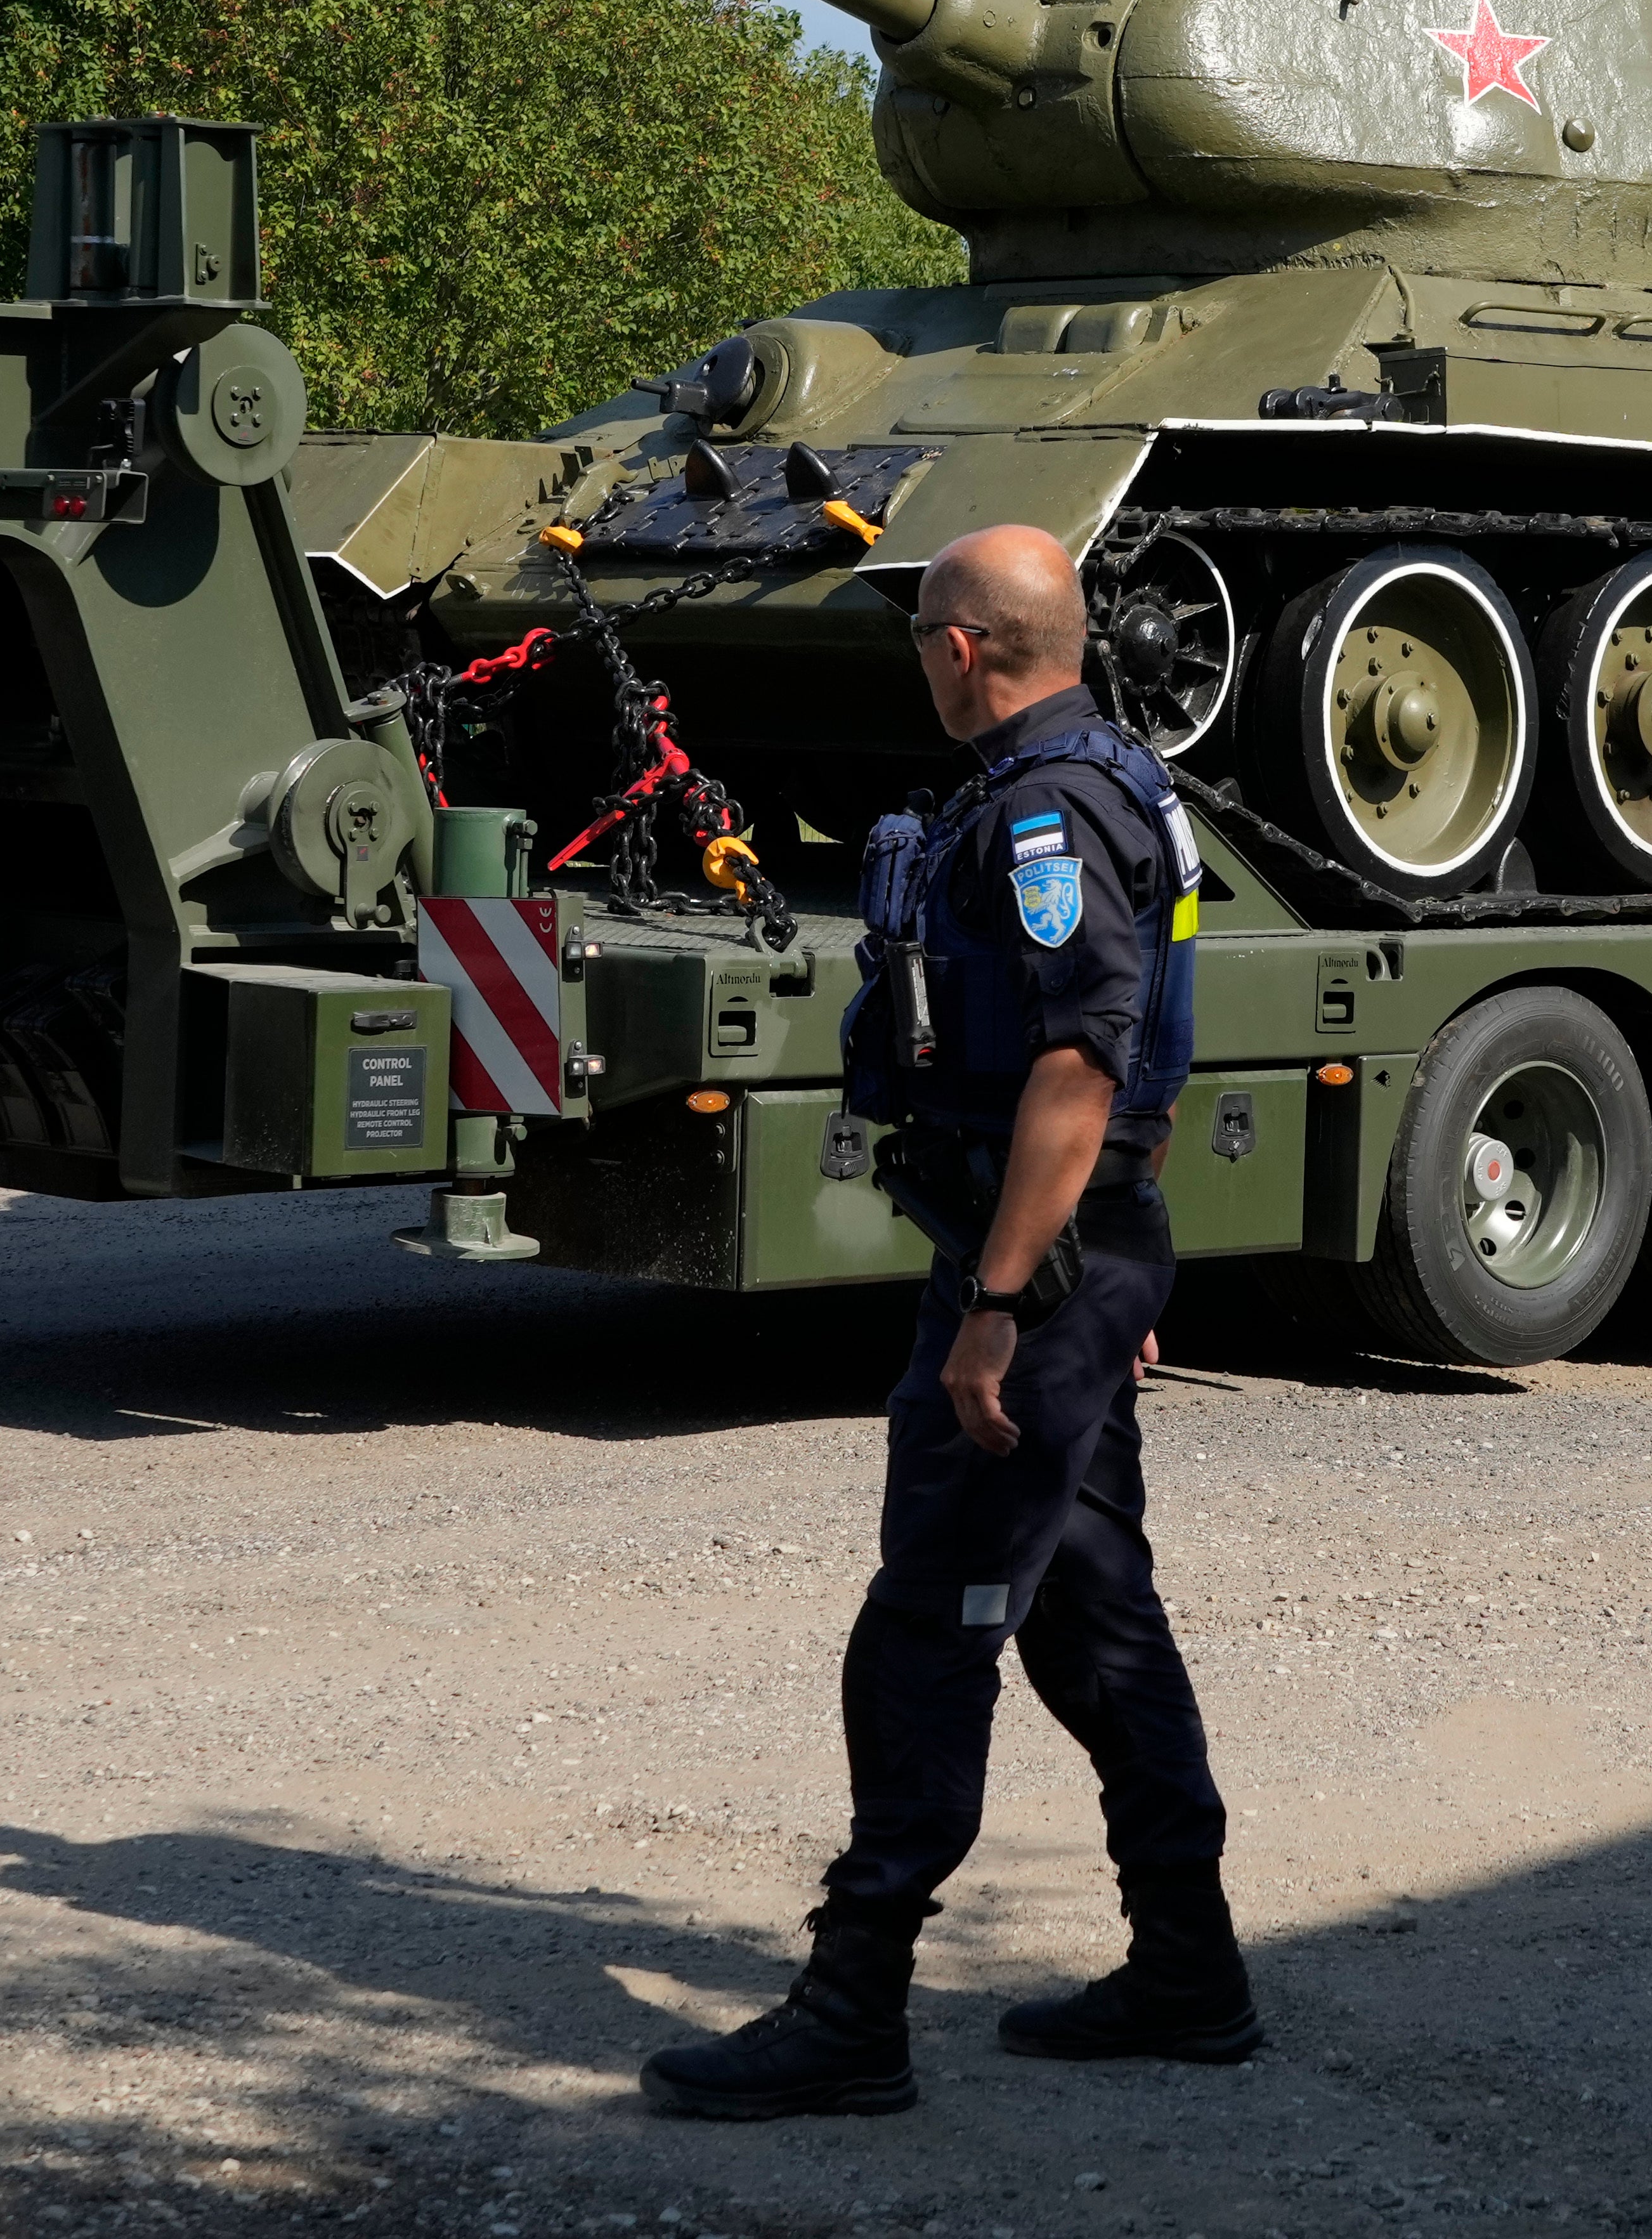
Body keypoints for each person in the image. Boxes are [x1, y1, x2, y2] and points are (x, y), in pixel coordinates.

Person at [639, 523, 1249, 2122]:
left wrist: (1007, 1302)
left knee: (927, 1627)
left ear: (966, 649)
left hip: (1024, 1269)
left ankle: (852, 2008)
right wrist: (1112, 1258)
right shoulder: (1124, 777)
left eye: (922, 632)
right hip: (1070, 1257)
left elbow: (1080, 1064)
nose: (918, 657)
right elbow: (1157, 1057)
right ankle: (1191, 1970)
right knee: (1092, 1608)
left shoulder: (1045, 809)